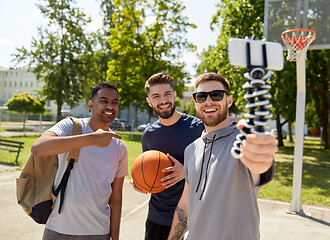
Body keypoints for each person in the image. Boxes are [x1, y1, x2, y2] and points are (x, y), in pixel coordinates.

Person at [167, 73, 278, 240]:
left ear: (229, 100)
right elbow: (185, 205)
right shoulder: (190, 150)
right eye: (201, 96)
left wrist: (261, 156)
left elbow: (259, 168)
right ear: (196, 103)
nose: (209, 101)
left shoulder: (242, 141)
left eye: (216, 95)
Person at [31, 82, 128, 240]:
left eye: (114, 102)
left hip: (98, 232)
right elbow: (38, 148)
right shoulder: (71, 126)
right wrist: (91, 139)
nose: (110, 106)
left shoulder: (119, 146)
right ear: (91, 104)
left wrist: (115, 238)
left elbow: (116, 198)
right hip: (59, 228)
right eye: (103, 101)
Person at [131, 72, 204, 240]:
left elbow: (214, 168)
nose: (163, 100)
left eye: (167, 94)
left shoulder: (198, 128)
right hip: (157, 218)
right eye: (156, 96)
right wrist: (142, 183)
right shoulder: (149, 135)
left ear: (175, 96)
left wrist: (185, 171)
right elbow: (149, 170)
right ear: (149, 102)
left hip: (193, 217)